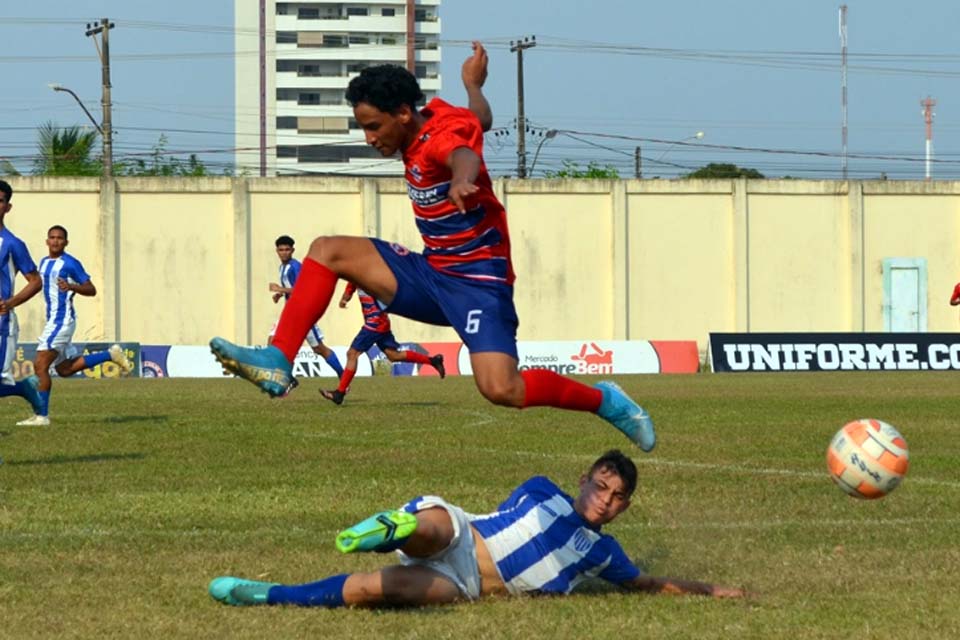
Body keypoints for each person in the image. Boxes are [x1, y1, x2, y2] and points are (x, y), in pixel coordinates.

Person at [210, 42, 655, 453]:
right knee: (327, 249)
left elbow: (461, 153)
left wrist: (463, 177)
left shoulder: (436, 142)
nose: (368, 138)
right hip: (432, 274)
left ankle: (606, 400)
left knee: (502, 389)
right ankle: (278, 360)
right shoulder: (440, 116)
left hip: (480, 283)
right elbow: (479, 120)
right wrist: (473, 86)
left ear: (403, 113)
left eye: (372, 126)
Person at [209, 449, 745, 608]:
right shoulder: (542, 490)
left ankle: (265, 594)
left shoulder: (604, 555)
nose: (604, 501)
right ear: (582, 480)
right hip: (466, 535)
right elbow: (500, 514)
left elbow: (646, 584)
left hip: (464, 585)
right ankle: (391, 527)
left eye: (617, 498)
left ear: (624, 509)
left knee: (375, 590)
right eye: (600, 487)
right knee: (438, 526)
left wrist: (709, 588)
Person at [16, 225, 134, 426]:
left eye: (60, 238)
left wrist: (72, 286)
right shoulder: (44, 263)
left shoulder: (70, 263)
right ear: (47, 241)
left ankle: (42, 416)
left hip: (62, 320)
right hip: (54, 320)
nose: (55, 241)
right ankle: (110, 354)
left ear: (66, 242)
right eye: (52, 237)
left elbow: (91, 289)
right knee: (64, 369)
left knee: (40, 365)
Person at [320, 281, 445, 405]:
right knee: (394, 355)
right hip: (381, 323)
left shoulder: (370, 274)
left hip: (374, 323)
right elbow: (351, 286)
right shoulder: (357, 273)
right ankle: (433, 361)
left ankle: (339, 393)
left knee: (352, 354)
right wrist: (344, 299)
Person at [268, 235, 344, 379]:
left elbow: (304, 289)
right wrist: (280, 294)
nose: (284, 252)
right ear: (277, 251)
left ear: (292, 250)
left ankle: (343, 375)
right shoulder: (282, 267)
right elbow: (291, 288)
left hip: (303, 314)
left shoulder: (295, 267)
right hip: (291, 313)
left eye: (287, 250)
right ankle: (284, 379)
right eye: (281, 250)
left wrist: (280, 289)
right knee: (273, 340)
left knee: (319, 349)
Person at [0, 179, 45, 423]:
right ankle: (23, 389)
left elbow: (35, 281)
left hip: (1, 324)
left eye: (0, 201)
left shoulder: (12, 244)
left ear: (8, 207)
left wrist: (10, 303)